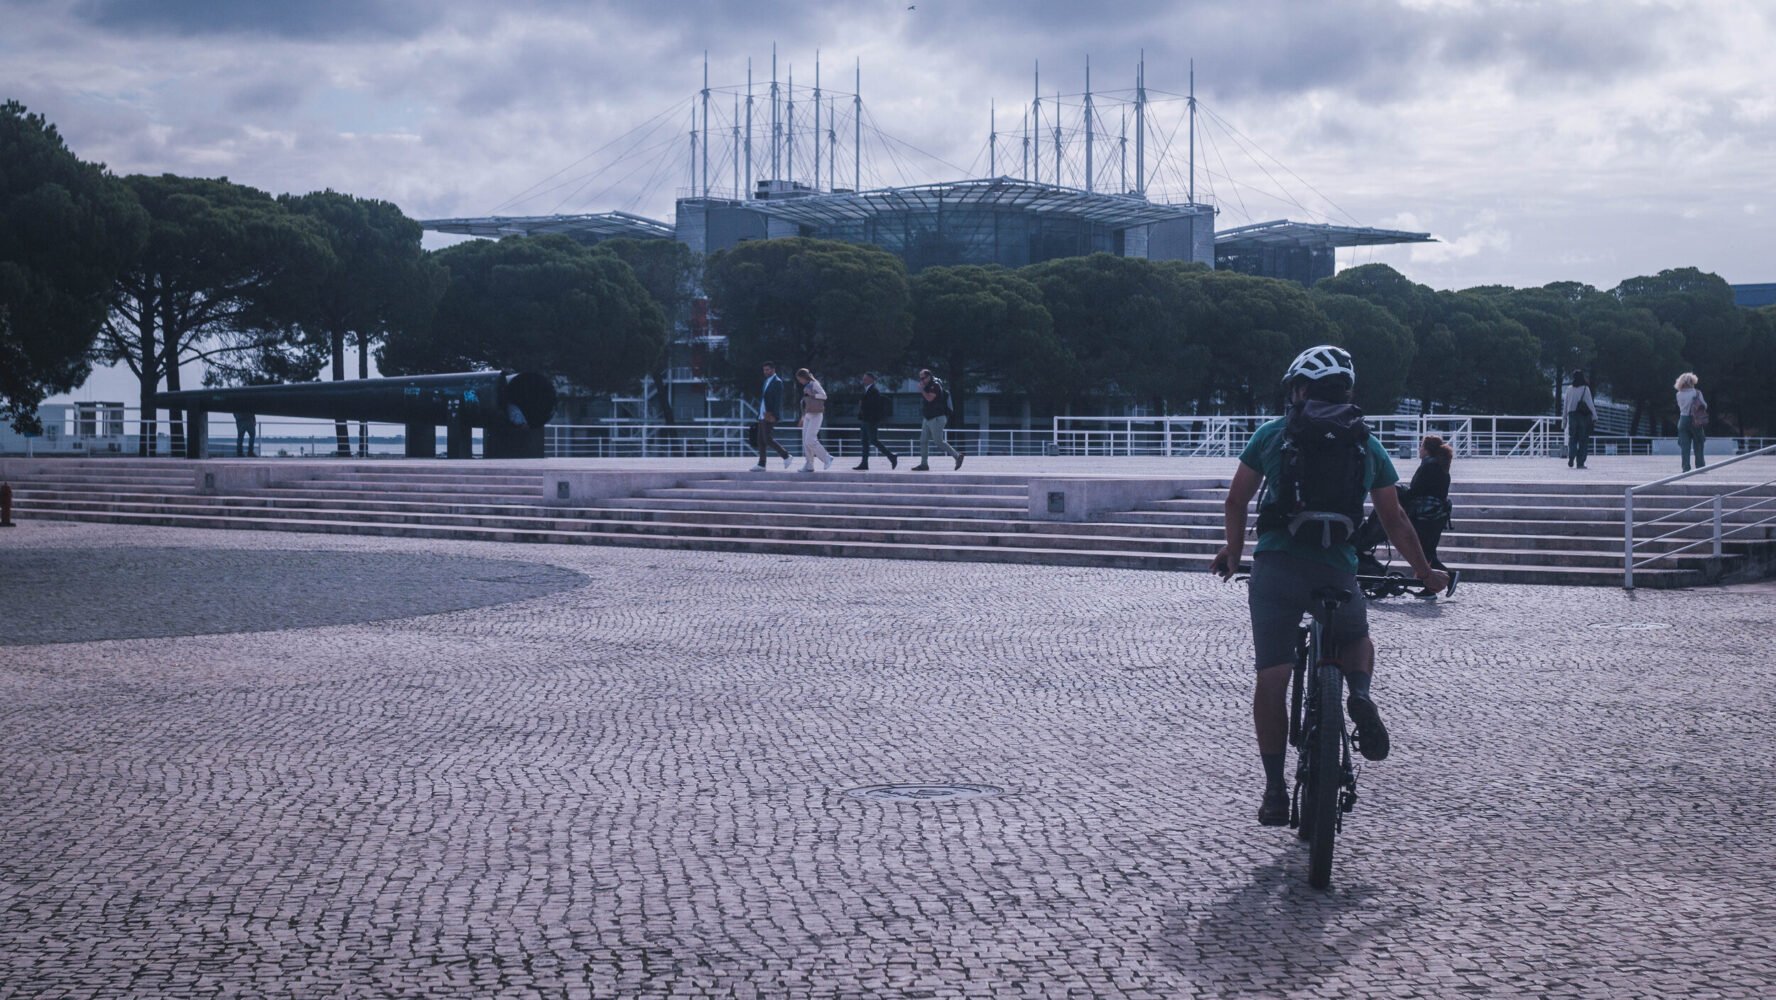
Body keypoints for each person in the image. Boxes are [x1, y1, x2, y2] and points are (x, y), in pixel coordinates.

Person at [1209, 345, 1449, 828]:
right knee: (1356, 637)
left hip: (1276, 569)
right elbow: (1395, 519)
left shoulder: (1272, 435)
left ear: (1298, 390)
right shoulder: (1365, 444)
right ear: (1347, 392)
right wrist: (1425, 573)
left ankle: (1276, 791)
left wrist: (1233, 555)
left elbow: (1236, 501)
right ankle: (1358, 693)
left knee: (1272, 677)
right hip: (1335, 569)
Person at [1405, 434, 1456, 593]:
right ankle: (1430, 586)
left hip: (1427, 515)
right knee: (1427, 551)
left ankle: (1447, 578)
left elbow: (1417, 490)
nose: (1419, 449)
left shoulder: (1428, 466)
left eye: (1421, 446)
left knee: (1425, 551)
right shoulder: (1440, 466)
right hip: (1437, 515)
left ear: (1427, 450)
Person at [912, 369, 964, 471]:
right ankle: (924, 464)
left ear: (929, 377)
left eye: (923, 378)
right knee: (923, 441)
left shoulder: (935, 385)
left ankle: (957, 456)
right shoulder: (927, 386)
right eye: (920, 378)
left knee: (938, 441)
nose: (921, 380)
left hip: (937, 418)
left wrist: (922, 390)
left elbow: (930, 398)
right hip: (928, 418)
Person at [751, 362, 792, 471]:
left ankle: (786, 456)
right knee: (760, 440)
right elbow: (764, 399)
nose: (766, 372)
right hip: (762, 414)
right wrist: (759, 414)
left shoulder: (777, 382)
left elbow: (777, 401)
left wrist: (774, 415)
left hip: (769, 415)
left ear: (773, 370)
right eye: (764, 370)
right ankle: (761, 464)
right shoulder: (766, 381)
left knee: (767, 439)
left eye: (768, 370)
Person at [853, 371, 898, 470]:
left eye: (865, 378)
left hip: (871, 421)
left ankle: (891, 456)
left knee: (874, 440)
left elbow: (873, 406)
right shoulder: (867, 390)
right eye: (863, 378)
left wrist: (862, 404)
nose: (863, 380)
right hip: (865, 420)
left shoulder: (874, 391)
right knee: (865, 442)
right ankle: (864, 463)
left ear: (871, 380)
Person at [794, 368, 834, 472]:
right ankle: (809, 464)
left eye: (799, 379)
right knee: (805, 441)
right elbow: (805, 403)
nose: (799, 381)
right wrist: (802, 417)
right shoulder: (806, 386)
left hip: (816, 414)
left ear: (803, 377)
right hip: (808, 415)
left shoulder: (814, 384)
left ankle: (827, 458)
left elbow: (824, 396)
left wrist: (812, 395)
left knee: (810, 440)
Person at [1563, 369, 1597, 469]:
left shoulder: (1569, 389)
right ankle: (1580, 463)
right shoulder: (1585, 389)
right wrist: (1595, 416)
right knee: (1583, 440)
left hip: (1572, 416)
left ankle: (1571, 457)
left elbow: (1565, 406)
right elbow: (1590, 404)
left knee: (1572, 438)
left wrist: (1564, 420)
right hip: (1583, 417)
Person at [1675, 372, 1707, 473]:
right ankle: (1700, 467)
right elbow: (1704, 406)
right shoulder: (1697, 392)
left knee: (1684, 446)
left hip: (1682, 420)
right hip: (1695, 420)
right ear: (1693, 381)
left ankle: (1685, 468)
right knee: (1699, 443)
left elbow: (1680, 406)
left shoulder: (1678, 394)